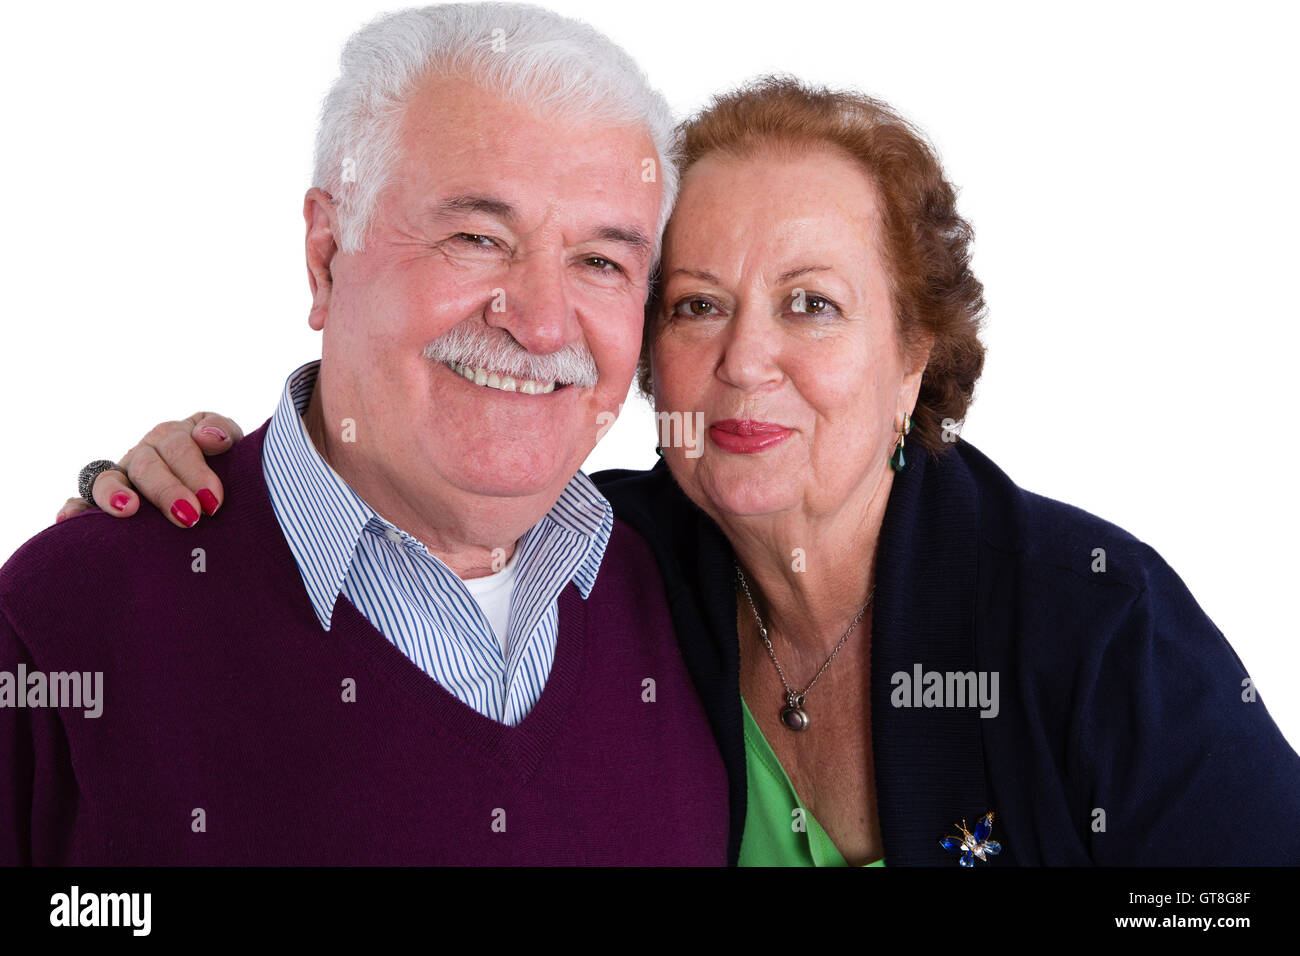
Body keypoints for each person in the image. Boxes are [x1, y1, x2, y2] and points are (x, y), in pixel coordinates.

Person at [54, 80, 1300, 865]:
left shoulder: (1089, 619)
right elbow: (409, 454)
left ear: (915, 358)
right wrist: (207, 487)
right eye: (698, 305)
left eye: (811, 306)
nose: (745, 361)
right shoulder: (611, 557)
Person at [0, 3, 731, 865]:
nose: (539, 325)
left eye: (602, 261)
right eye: (476, 237)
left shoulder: (690, 595)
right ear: (325, 252)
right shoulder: (66, 621)